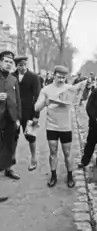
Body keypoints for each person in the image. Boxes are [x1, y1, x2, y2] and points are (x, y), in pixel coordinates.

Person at [35, 65, 75, 188]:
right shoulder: (46, 90)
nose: (62, 80)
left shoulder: (70, 88)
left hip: (65, 126)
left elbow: (79, 100)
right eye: (59, 77)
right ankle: (53, 175)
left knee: (67, 152)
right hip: (51, 126)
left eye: (64, 77)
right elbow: (36, 107)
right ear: (54, 75)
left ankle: (70, 175)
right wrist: (45, 102)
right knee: (53, 151)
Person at [0, 50, 21, 201]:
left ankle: (8, 168)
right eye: (6, 61)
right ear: (0, 62)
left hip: (11, 117)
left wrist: (18, 118)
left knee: (10, 144)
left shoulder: (13, 79)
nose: (8, 64)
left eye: (10, 62)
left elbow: (18, 99)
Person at [13, 56, 40, 171]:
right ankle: (11, 158)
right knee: (12, 136)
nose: (23, 67)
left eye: (24, 65)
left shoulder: (34, 77)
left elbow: (37, 96)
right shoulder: (11, 76)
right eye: (20, 65)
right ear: (16, 66)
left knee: (31, 136)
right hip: (14, 112)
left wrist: (36, 115)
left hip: (29, 112)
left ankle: (33, 158)